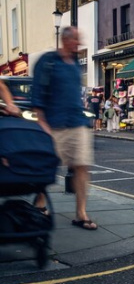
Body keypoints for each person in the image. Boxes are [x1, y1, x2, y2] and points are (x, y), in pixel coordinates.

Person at [31, 26, 97, 230]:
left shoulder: (76, 63)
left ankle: (80, 214)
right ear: (66, 40)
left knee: (82, 166)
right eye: (76, 40)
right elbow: (38, 95)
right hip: (54, 124)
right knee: (47, 167)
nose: (79, 44)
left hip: (77, 123)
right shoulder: (48, 62)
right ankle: (39, 205)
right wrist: (42, 122)